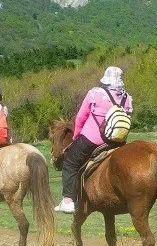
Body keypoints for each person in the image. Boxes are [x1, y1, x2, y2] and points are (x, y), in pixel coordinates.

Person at [55, 66, 134, 214]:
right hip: (117, 142)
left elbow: (80, 117)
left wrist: (76, 136)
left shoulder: (95, 93)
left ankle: (68, 201)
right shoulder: (127, 98)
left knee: (70, 163)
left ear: (105, 79)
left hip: (92, 139)